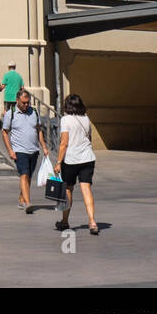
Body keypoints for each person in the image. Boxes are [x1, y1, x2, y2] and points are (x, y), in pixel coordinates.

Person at [54, 93, 99, 236]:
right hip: (87, 158)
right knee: (86, 189)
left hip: (71, 160)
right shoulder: (86, 118)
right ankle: (92, 221)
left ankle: (65, 221)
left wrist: (58, 162)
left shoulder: (65, 120)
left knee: (68, 190)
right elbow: (89, 138)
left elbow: (64, 143)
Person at [1, 89, 50, 213]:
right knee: (24, 174)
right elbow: (5, 132)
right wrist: (10, 150)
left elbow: (39, 130)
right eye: (23, 102)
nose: (26, 105)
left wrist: (43, 146)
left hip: (34, 150)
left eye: (27, 102)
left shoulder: (34, 112)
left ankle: (22, 198)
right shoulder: (10, 114)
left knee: (29, 176)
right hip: (19, 150)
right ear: (17, 100)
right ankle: (28, 203)